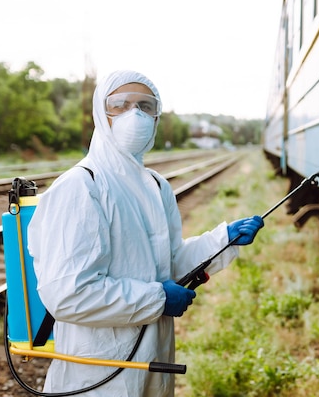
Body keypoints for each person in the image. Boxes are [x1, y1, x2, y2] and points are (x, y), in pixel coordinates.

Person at [27, 69, 264, 396]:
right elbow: (68, 293)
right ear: (101, 113)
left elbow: (170, 263)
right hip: (96, 374)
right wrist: (157, 297)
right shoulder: (81, 186)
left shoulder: (155, 185)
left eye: (145, 106)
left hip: (152, 358)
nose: (134, 114)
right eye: (120, 105)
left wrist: (223, 240)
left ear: (156, 117)